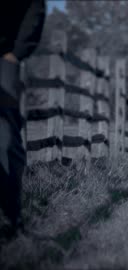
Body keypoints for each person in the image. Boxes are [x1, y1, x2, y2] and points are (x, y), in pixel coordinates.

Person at [0, 0, 46, 240]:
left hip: (4, 59)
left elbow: (35, 8)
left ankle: (12, 218)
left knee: (5, 139)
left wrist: (16, 53)